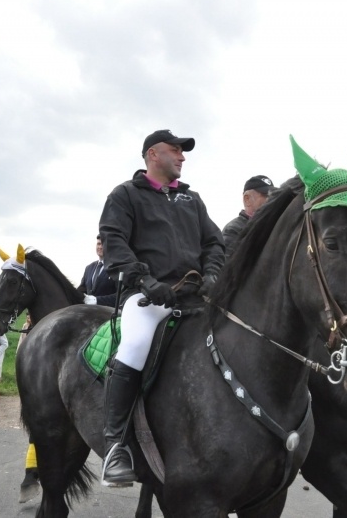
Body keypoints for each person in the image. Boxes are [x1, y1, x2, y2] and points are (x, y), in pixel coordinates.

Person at [98, 129, 224, 485]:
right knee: (135, 345)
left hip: (195, 296)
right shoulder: (124, 195)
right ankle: (115, 447)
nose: (182, 157)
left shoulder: (191, 199)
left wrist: (213, 273)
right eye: (176, 151)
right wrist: (145, 282)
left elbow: (214, 243)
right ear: (153, 154)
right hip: (148, 297)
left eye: (183, 152)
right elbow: (114, 242)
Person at [221, 175, 275, 257]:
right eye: (266, 195)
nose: (271, 199)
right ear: (247, 199)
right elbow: (226, 266)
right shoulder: (233, 230)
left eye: (273, 195)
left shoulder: (273, 228)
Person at [78, 235, 118, 307]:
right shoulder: (89, 268)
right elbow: (81, 290)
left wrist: (96, 300)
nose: (100, 247)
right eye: (98, 244)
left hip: (108, 315)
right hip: (88, 314)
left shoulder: (117, 267)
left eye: (103, 244)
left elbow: (121, 296)